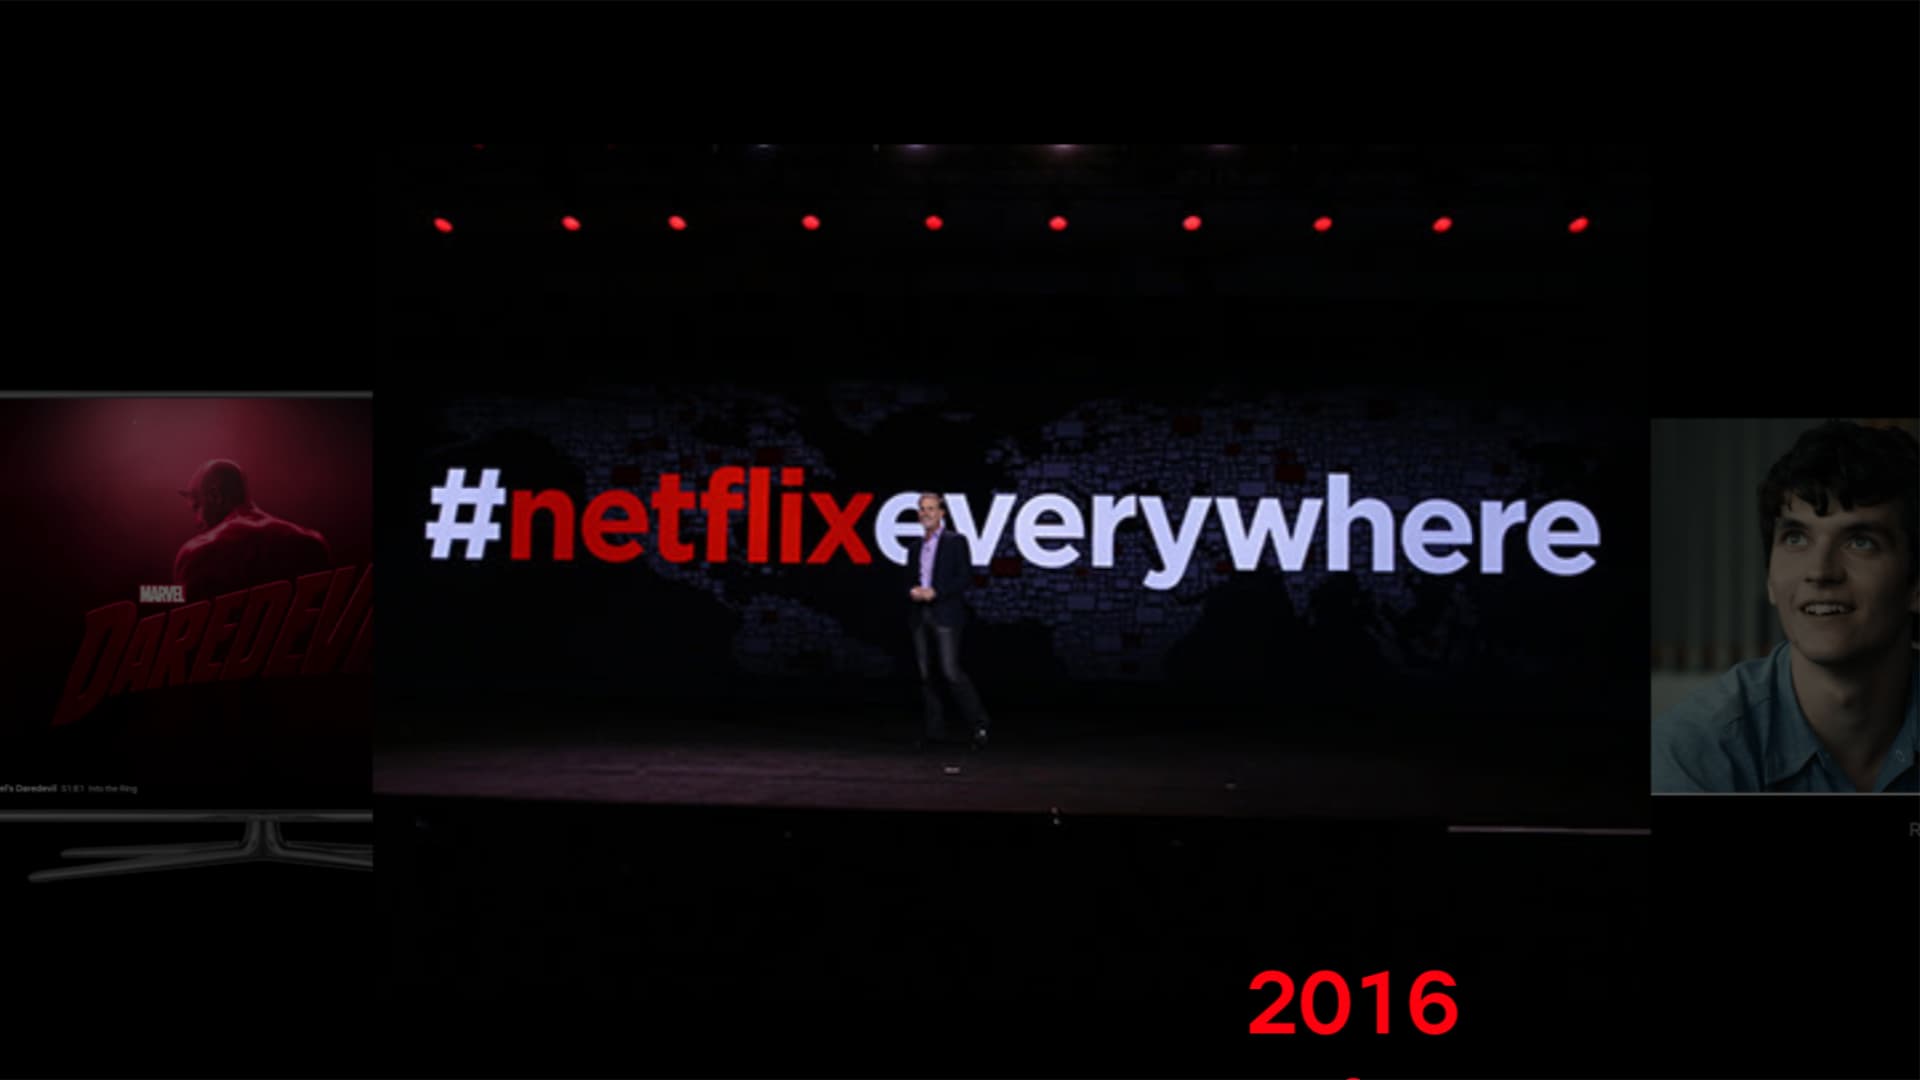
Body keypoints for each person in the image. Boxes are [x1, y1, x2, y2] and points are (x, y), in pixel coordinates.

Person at [1652, 420, 1919, 793]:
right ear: (1770, 579)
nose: (1820, 572)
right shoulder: (1695, 750)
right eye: (1796, 538)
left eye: (1860, 542)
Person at [174, 459, 334, 604]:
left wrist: (159, 593)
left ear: (215, 495)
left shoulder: (198, 553)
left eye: (197, 507)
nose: (197, 521)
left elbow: (186, 615)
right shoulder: (311, 543)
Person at [905, 491, 992, 749]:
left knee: (950, 671)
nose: (926, 513)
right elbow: (907, 579)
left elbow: (964, 577)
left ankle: (980, 725)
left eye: (931, 508)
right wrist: (912, 590)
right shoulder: (914, 547)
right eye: (922, 509)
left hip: (945, 614)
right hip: (919, 614)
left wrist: (937, 592)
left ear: (941, 513)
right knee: (925, 675)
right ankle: (934, 732)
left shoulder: (956, 541)